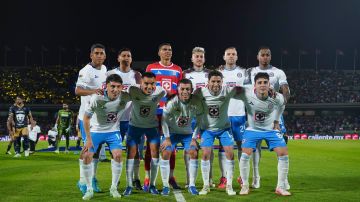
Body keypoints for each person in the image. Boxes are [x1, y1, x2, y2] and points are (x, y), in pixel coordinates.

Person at [238, 72, 290, 196]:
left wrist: (277, 120)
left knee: (284, 154)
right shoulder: (247, 93)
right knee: (245, 154)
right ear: (254, 85)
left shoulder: (277, 97)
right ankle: (245, 185)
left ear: (269, 84)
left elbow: (282, 105)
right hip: (252, 129)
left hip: (270, 129)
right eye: (259, 83)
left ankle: (280, 187)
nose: (262, 85)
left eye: (265, 82)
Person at [81, 74, 131, 200]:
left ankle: (113, 188)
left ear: (122, 87)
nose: (115, 90)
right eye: (112, 86)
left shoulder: (125, 96)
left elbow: (141, 95)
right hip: (96, 131)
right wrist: (88, 140)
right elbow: (86, 118)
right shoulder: (97, 99)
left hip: (113, 131)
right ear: (106, 86)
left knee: (118, 155)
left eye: (118, 87)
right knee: (87, 156)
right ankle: (89, 189)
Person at [247, 46, 291, 189]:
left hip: (273, 113)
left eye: (267, 55)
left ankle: (283, 180)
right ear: (258, 56)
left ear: (270, 57)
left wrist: (282, 100)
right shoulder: (251, 71)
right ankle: (256, 177)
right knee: (255, 145)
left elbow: (286, 90)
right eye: (262, 55)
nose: (265, 57)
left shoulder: (278, 72)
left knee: (282, 143)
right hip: (256, 112)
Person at [193, 70, 242, 196]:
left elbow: (245, 92)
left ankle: (229, 186)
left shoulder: (228, 90)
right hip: (207, 129)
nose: (216, 84)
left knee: (230, 154)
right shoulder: (200, 92)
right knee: (205, 155)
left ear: (222, 82)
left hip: (224, 128)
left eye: (218, 81)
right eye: (213, 81)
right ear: (207, 82)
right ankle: (205, 185)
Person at [145, 43, 183, 190]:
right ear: (159, 52)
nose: (167, 52)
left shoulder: (178, 70)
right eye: (164, 49)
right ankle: (148, 177)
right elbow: (147, 88)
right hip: (155, 112)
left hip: (171, 112)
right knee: (151, 146)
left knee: (171, 146)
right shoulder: (151, 68)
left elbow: (181, 92)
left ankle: (171, 177)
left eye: (170, 50)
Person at [123, 72, 166, 196]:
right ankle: (129, 185)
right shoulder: (133, 90)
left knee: (155, 154)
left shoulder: (160, 91)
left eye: (152, 84)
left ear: (156, 84)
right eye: (146, 83)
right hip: (134, 126)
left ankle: (152, 185)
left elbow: (168, 96)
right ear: (140, 83)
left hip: (151, 127)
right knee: (131, 154)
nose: (149, 86)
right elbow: (122, 95)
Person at [159, 78, 204, 196]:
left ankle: (192, 185)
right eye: (182, 89)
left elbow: (200, 120)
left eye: (187, 89)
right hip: (172, 134)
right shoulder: (172, 102)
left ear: (192, 90)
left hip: (188, 134)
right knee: (165, 152)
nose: (185, 91)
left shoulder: (197, 101)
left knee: (193, 152)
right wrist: (167, 138)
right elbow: (163, 120)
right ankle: (165, 186)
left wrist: (194, 139)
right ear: (178, 90)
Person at [106, 48, 142, 190]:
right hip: (115, 120)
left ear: (131, 59)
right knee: (115, 152)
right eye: (123, 55)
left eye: (129, 56)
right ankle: (116, 180)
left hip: (133, 119)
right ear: (118, 58)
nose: (126, 58)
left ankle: (136, 179)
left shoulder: (137, 75)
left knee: (135, 151)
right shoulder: (110, 74)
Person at [75, 43, 107, 195]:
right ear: (91, 55)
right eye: (97, 53)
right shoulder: (86, 71)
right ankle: (82, 180)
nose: (99, 55)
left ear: (105, 56)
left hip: (98, 117)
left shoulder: (105, 69)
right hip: (86, 116)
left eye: (102, 53)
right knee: (88, 148)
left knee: (98, 149)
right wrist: (94, 90)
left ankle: (92, 178)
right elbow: (77, 90)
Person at [183, 47, 214, 187]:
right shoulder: (185, 74)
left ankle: (210, 178)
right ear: (192, 58)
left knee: (208, 147)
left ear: (204, 58)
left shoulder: (210, 74)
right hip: (191, 114)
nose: (199, 58)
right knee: (188, 147)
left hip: (207, 115)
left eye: (201, 56)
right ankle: (189, 179)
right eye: (197, 56)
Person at [219, 47, 247, 188]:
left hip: (239, 115)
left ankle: (242, 176)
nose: (231, 56)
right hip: (223, 115)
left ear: (237, 57)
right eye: (228, 54)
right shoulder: (219, 73)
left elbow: (249, 92)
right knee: (223, 147)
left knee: (242, 145)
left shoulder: (243, 73)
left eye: (233, 54)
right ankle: (223, 177)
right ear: (224, 57)